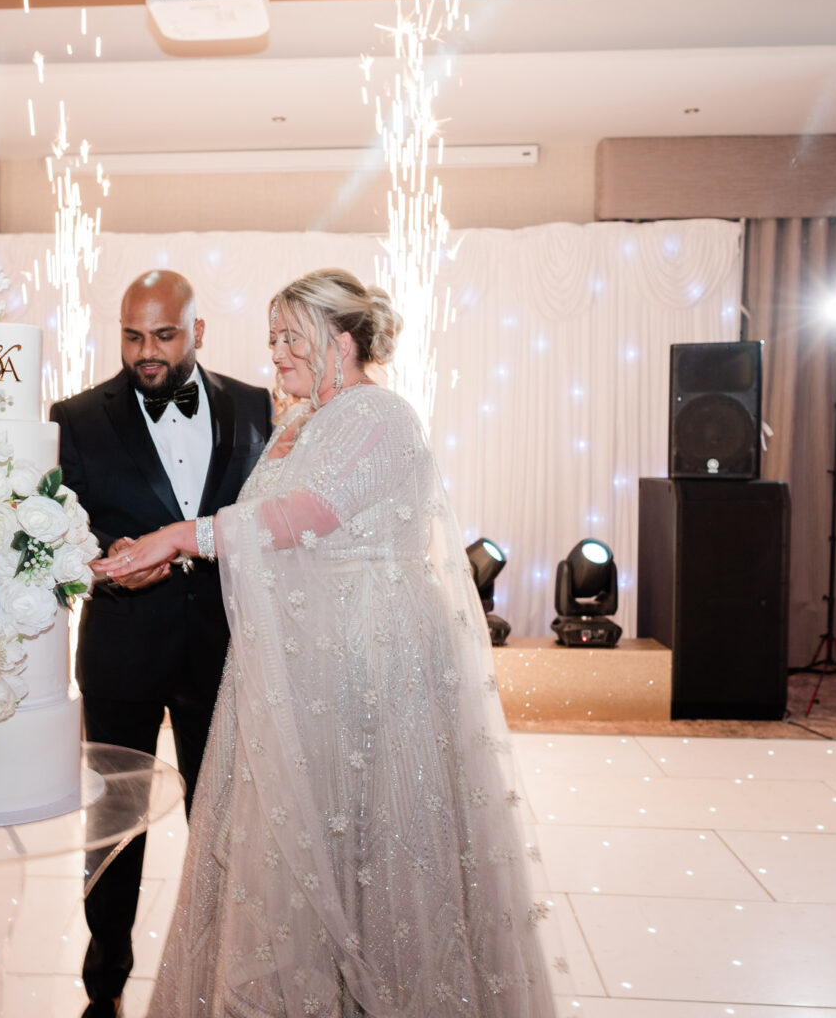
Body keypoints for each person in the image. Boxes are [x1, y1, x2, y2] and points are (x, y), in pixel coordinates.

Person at [98, 269, 553, 1015]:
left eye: (289, 338)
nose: (274, 354)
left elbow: (308, 516)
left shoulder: (380, 414)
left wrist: (184, 534)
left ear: (341, 340)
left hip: (373, 665)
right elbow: (266, 536)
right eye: (272, 338)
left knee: (376, 851)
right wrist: (170, 551)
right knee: (306, 848)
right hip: (307, 674)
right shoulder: (300, 422)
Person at [48, 270, 272, 1018]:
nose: (146, 352)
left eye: (164, 335)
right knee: (115, 830)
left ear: (198, 331)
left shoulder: (258, 408)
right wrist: (107, 566)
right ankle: (103, 986)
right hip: (121, 651)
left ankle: (219, 976)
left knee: (222, 829)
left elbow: (264, 521)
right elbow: (61, 534)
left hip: (223, 651)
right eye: (132, 335)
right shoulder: (76, 417)